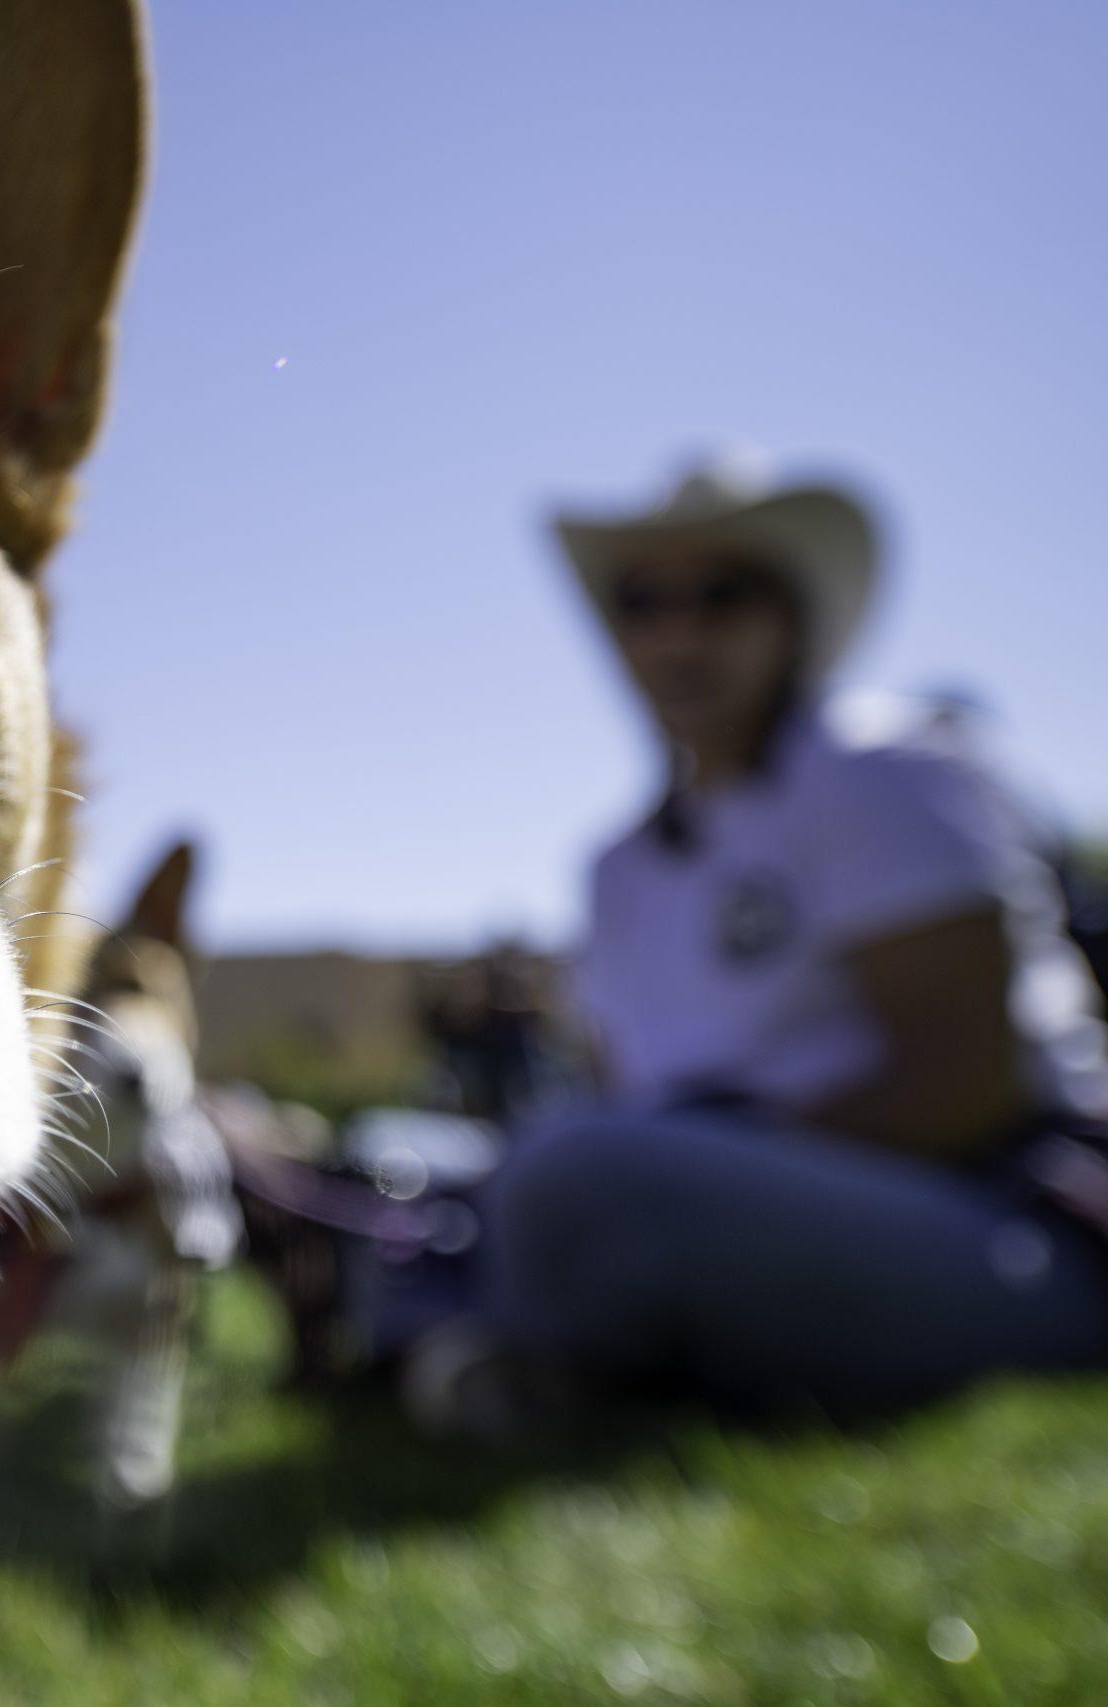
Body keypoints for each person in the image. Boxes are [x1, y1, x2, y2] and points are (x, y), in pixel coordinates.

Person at [355, 454, 1108, 1431]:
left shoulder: (882, 768)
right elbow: (626, 1088)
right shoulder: (617, 866)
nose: (678, 633)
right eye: (641, 602)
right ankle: (495, 1335)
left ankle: (459, 1336)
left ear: (788, 617)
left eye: (721, 596)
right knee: (392, 1151)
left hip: (989, 1223)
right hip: (711, 1193)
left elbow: (961, 1086)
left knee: (575, 1177)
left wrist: (697, 1142)